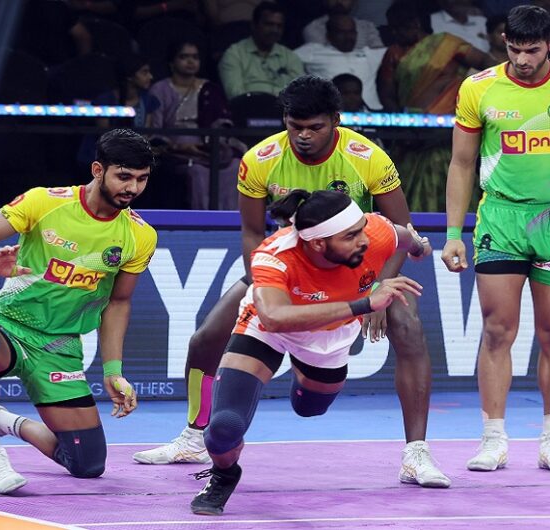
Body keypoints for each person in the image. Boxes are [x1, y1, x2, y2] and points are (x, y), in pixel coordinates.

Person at [134, 75, 451, 489]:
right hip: (287, 269)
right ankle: (195, 435)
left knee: (409, 330)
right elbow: (252, 232)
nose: (303, 136)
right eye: (294, 125)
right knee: (206, 338)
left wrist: (377, 288)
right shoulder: (260, 159)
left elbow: (399, 229)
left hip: (358, 267)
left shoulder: (368, 158)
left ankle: (416, 454)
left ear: (335, 120)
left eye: (314, 127)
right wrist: (265, 285)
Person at [441, 5, 550, 474]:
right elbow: (461, 163)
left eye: (532, 50)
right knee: (498, 331)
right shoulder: (478, 88)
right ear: (504, 42)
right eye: (514, 49)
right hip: (500, 219)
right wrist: (454, 233)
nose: (521, 60)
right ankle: (493, 441)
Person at [190, 189, 432, 515]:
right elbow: (274, 318)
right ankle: (223, 474)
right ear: (318, 243)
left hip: (327, 338)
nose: (363, 240)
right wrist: (364, 304)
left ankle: (303, 373)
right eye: (350, 236)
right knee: (224, 428)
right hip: (267, 330)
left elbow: (404, 237)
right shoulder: (274, 255)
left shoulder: (374, 232)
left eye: (361, 229)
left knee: (310, 408)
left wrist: (419, 248)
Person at [0, 129, 158, 494]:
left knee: (87, 464)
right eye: (124, 176)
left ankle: (3, 421)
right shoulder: (44, 202)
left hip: (60, 347)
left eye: (141, 179)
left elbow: (118, 302)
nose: (132, 188)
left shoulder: (140, 235)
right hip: (9, 329)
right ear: (98, 170)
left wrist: (113, 371)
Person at [376, 1, 495, 212]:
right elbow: (387, 95)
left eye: (399, 27)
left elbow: (489, 65)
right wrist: (402, 125)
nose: (395, 33)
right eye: (392, 28)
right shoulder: (393, 54)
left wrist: (471, 94)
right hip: (411, 137)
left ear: (415, 24)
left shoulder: (447, 44)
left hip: (446, 133)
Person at [149, 39, 244, 210]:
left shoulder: (209, 88)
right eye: (184, 57)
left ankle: (230, 220)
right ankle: (203, 220)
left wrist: (211, 144)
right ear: (172, 62)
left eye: (195, 57)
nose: (191, 61)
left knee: (235, 166)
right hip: (175, 149)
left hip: (208, 146)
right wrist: (179, 146)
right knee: (198, 171)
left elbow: (222, 124)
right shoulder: (160, 89)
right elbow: (155, 130)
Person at [295, 14, 386, 110]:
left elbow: (395, 51)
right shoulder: (313, 52)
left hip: (372, 114)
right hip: (329, 112)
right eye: (341, 32)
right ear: (328, 35)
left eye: (351, 32)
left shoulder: (369, 54)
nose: (348, 37)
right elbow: (287, 56)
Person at [218, 1, 304, 100]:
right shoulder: (234, 54)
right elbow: (235, 95)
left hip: (284, 109)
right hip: (249, 108)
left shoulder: (290, 57)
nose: (275, 30)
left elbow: (301, 94)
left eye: (279, 26)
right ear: (254, 25)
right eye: (269, 24)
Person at [303, 0, 383, 50]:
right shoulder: (314, 28)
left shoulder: (368, 27)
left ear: (354, 2)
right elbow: (322, 58)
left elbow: (378, 56)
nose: (339, 1)